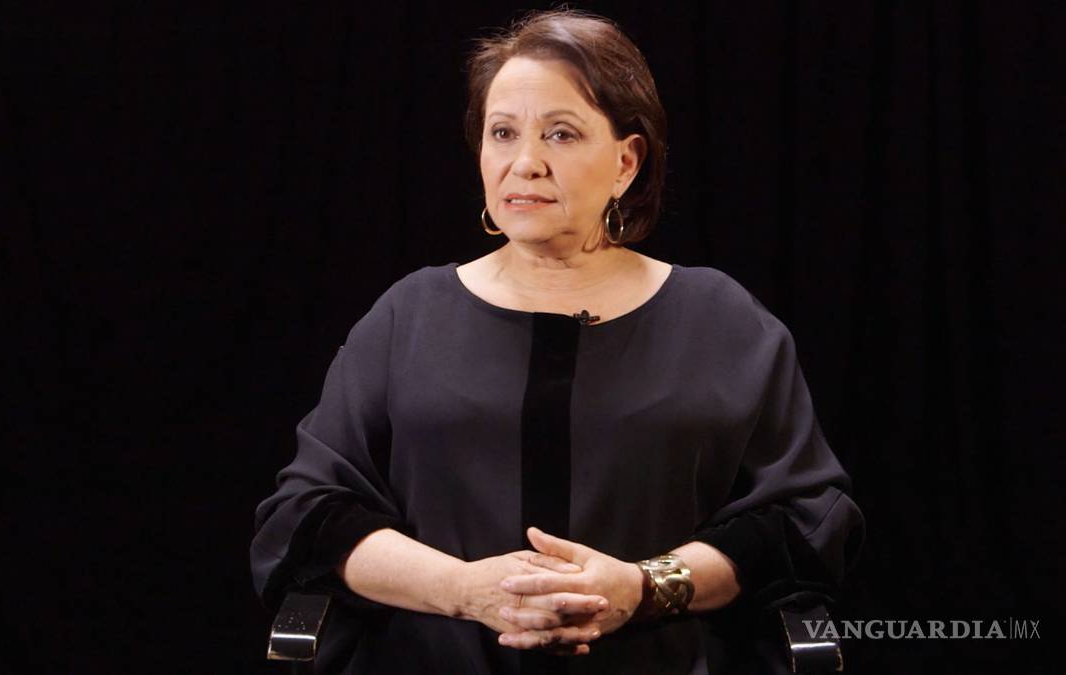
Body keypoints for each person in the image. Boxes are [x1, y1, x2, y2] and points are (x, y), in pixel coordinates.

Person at [251, 9, 863, 674]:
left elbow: (803, 520)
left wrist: (643, 587)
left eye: (561, 134)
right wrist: (464, 590)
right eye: (502, 133)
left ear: (626, 162)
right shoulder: (408, 315)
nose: (525, 163)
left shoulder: (722, 322)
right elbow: (307, 515)